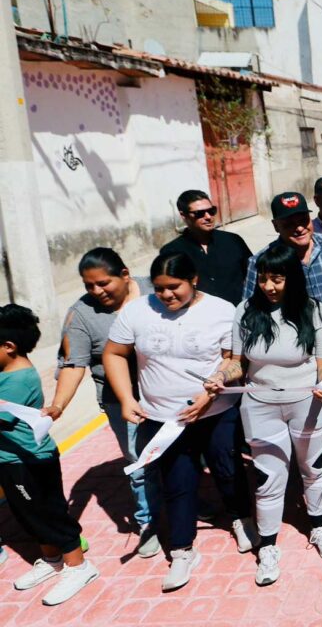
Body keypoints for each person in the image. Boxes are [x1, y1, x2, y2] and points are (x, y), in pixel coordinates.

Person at [104, 252, 255, 591]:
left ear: (194, 280)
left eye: (174, 287)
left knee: (228, 470)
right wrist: (127, 399)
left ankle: (241, 519)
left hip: (216, 412)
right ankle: (183, 549)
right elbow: (113, 353)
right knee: (177, 481)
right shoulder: (137, 311)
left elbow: (236, 359)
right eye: (159, 289)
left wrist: (212, 391)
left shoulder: (220, 310)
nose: (167, 295)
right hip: (164, 419)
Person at [205, 243, 322, 586]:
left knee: (314, 469)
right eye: (264, 279)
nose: (269, 286)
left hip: (308, 401)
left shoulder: (314, 310)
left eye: (277, 279)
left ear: (292, 278)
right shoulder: (246, 311)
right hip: (260, 403)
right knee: (268, 477)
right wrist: (221, 376)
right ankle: (267, 547)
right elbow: (238, 362)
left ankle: (319, 528)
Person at [48, 248, 159, 558]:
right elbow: (73, 364)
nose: (96, 291)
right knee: (138, 461)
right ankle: (148, 522)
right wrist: (58, 406)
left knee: (176, 452)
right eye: (88, 285)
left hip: (166, 389)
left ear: (125, 275)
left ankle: (184, 502)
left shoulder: (155, 289)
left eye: (103, 283)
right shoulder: (81, 313)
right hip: (119, 400)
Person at [1, 305, 100, 606]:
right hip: (10, 460)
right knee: (28, 515)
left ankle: (79, 566)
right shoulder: (6, 374)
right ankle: (52, 559)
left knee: (49, 516)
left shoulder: (19, 381)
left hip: (29, 462)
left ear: (8, 347)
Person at [245, 192, 322, 322]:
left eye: (303, 220)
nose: (299, 228)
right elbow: (250, 309)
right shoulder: (260, 262)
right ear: (276, 226)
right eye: (289, 223)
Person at [160, 189, 253, 305]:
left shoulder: (233, 241)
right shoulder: (171, 252)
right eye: (200, 213)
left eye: (211, 211)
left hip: (238, 313)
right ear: (183, 215)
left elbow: (253, 275)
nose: (208, 217)